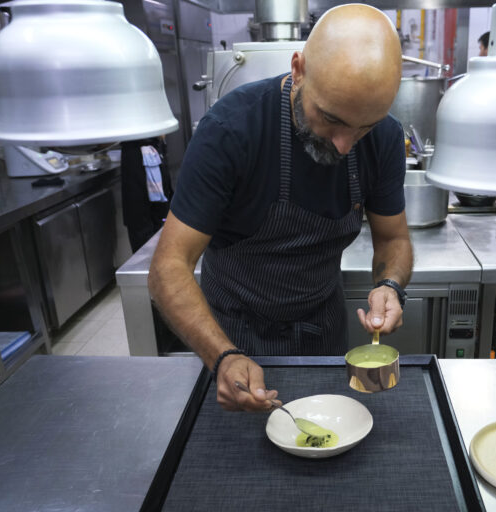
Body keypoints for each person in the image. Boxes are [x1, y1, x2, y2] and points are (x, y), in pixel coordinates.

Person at [148, 4, 413, 412]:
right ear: (299, 69)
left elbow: (393, 239)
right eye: (330, 119)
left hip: (322, 329)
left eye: (364, 128)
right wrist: (222, 355)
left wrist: (390, 285)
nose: (344, 145)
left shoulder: (386, 139)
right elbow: (168, 267)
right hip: (234, 333)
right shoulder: (231, 131)